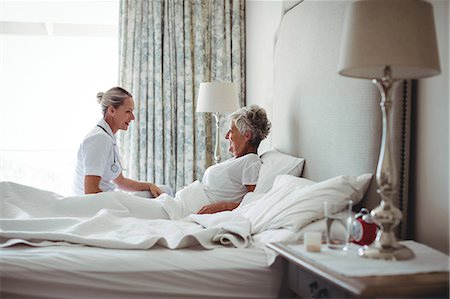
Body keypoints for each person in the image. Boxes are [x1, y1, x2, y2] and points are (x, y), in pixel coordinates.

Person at [72, 86, 167, 197]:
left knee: (162, 190)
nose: (132, 117)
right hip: (96, 206)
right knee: (164, 194)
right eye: (128, 111)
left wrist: (150, 185)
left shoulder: (107, 137)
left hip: (107, 199)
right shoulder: (98, 139)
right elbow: (91, 191)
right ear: (112, 110)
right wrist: (121, 201)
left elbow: (121, 182)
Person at [196, 104, 271, 214]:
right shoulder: (241, 160)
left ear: (247, 136)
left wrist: (224, 206)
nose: (227, 136)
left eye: (231, 131)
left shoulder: (251, 162)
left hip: (188, 208)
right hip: (182, 202)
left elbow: (253, 204)